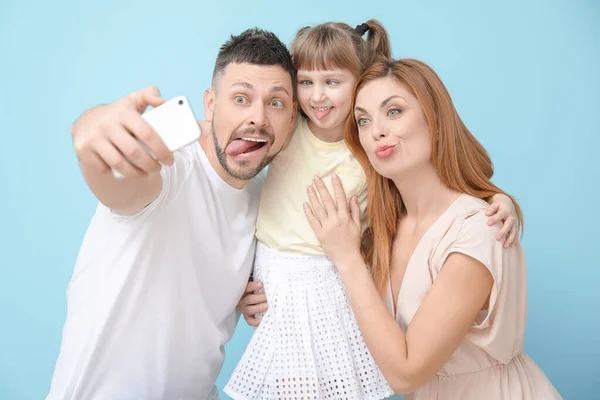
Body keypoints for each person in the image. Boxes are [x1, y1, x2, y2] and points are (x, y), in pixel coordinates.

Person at [227, 21, 519, 400]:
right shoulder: (288, 130)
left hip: (335, 282)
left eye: (332, 82)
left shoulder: (369, 153)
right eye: (306, 82)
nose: (318, 96)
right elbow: (233, 158)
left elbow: (440, 192)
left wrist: (500, 200)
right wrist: (244, 286)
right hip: (275, 281)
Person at [46, 28, 297, 400]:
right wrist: (93, 132)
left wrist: (247, 295)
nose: (258, 118)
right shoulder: (169, 166)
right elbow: (120, 188)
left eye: (275, 103)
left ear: (292, 121)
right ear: (210, 105)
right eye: (241, 98)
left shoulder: (267, 200)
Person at [304, 57, 562, 399]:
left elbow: (405, 374)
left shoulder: (480, 229)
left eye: (394, 111)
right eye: (363, 120)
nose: (376, 130)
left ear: (434, 117)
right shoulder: (381, 233)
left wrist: (347, 259)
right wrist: (252, 292)